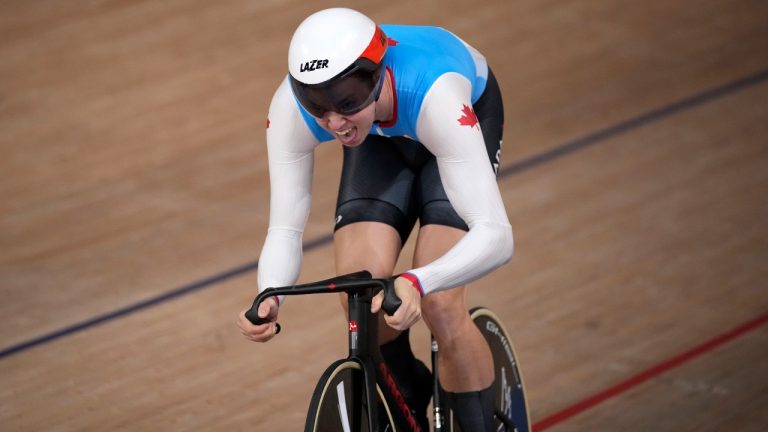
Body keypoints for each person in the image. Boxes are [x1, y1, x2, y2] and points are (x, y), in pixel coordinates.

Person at [237, 7, 513, 431]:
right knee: (360, 299)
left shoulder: (437, 97)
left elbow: (496, 237)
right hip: (380, 135)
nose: (332, 123)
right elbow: (284, 227)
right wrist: (271, 295)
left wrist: (420, 280)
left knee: (441, 304)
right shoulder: (297, 109)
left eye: (345, 101)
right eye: (318, 107)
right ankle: (409, 403)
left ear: (378, 74)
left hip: (449, 116)